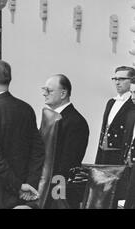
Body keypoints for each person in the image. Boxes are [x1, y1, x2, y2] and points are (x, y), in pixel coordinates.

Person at [0, 60, 45, 209]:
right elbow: (38, 151)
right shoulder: (26, 109)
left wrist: (18, 185)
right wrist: (29, 184)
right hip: (22, 191)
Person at [42, 74, 89, 208]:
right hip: (47, 185)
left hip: (59, 189)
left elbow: (68, 163)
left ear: (63, 94)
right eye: (44, 89)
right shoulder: (50, 117)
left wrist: (53, 189)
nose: (44, 94)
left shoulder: (76, 121)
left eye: (49, 90)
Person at [95, 66, 135, 165]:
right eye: (115, 79)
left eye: (121, 79)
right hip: (104, 155)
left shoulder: (132, 104)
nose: (117, 82)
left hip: (120, 157)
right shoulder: (111, 102)